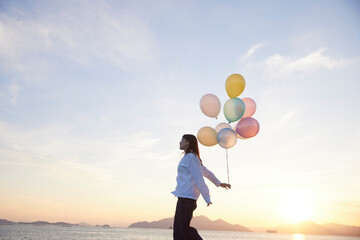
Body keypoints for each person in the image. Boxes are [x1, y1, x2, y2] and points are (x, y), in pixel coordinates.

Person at [171, 134, 231, 240]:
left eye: (182, 140)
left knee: (183, 229)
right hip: (183, 197)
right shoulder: (190, 157)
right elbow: (206, 172)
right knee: (179, 230)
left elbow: (199, 178)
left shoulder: (191, 158)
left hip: (187, 198)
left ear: (188, 142)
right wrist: (218, 183)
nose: (180, 142)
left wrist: (207, 197)